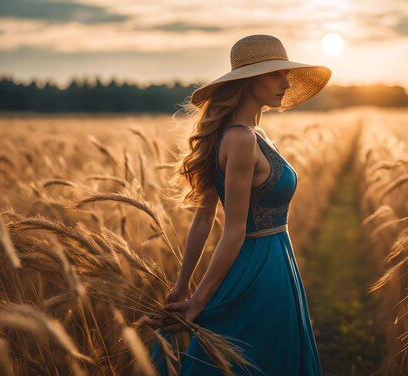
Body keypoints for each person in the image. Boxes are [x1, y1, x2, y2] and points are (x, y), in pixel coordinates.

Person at [142, 34, 332, 375]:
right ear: (249, 79)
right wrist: (197, 301)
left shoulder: (249, 133)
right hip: (260, 269)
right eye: (276, 74)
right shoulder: (242, 138)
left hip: (275, 260)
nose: (285, 83)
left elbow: (203, 218)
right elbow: (231, 231)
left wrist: (183, 284)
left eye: (285, 74)